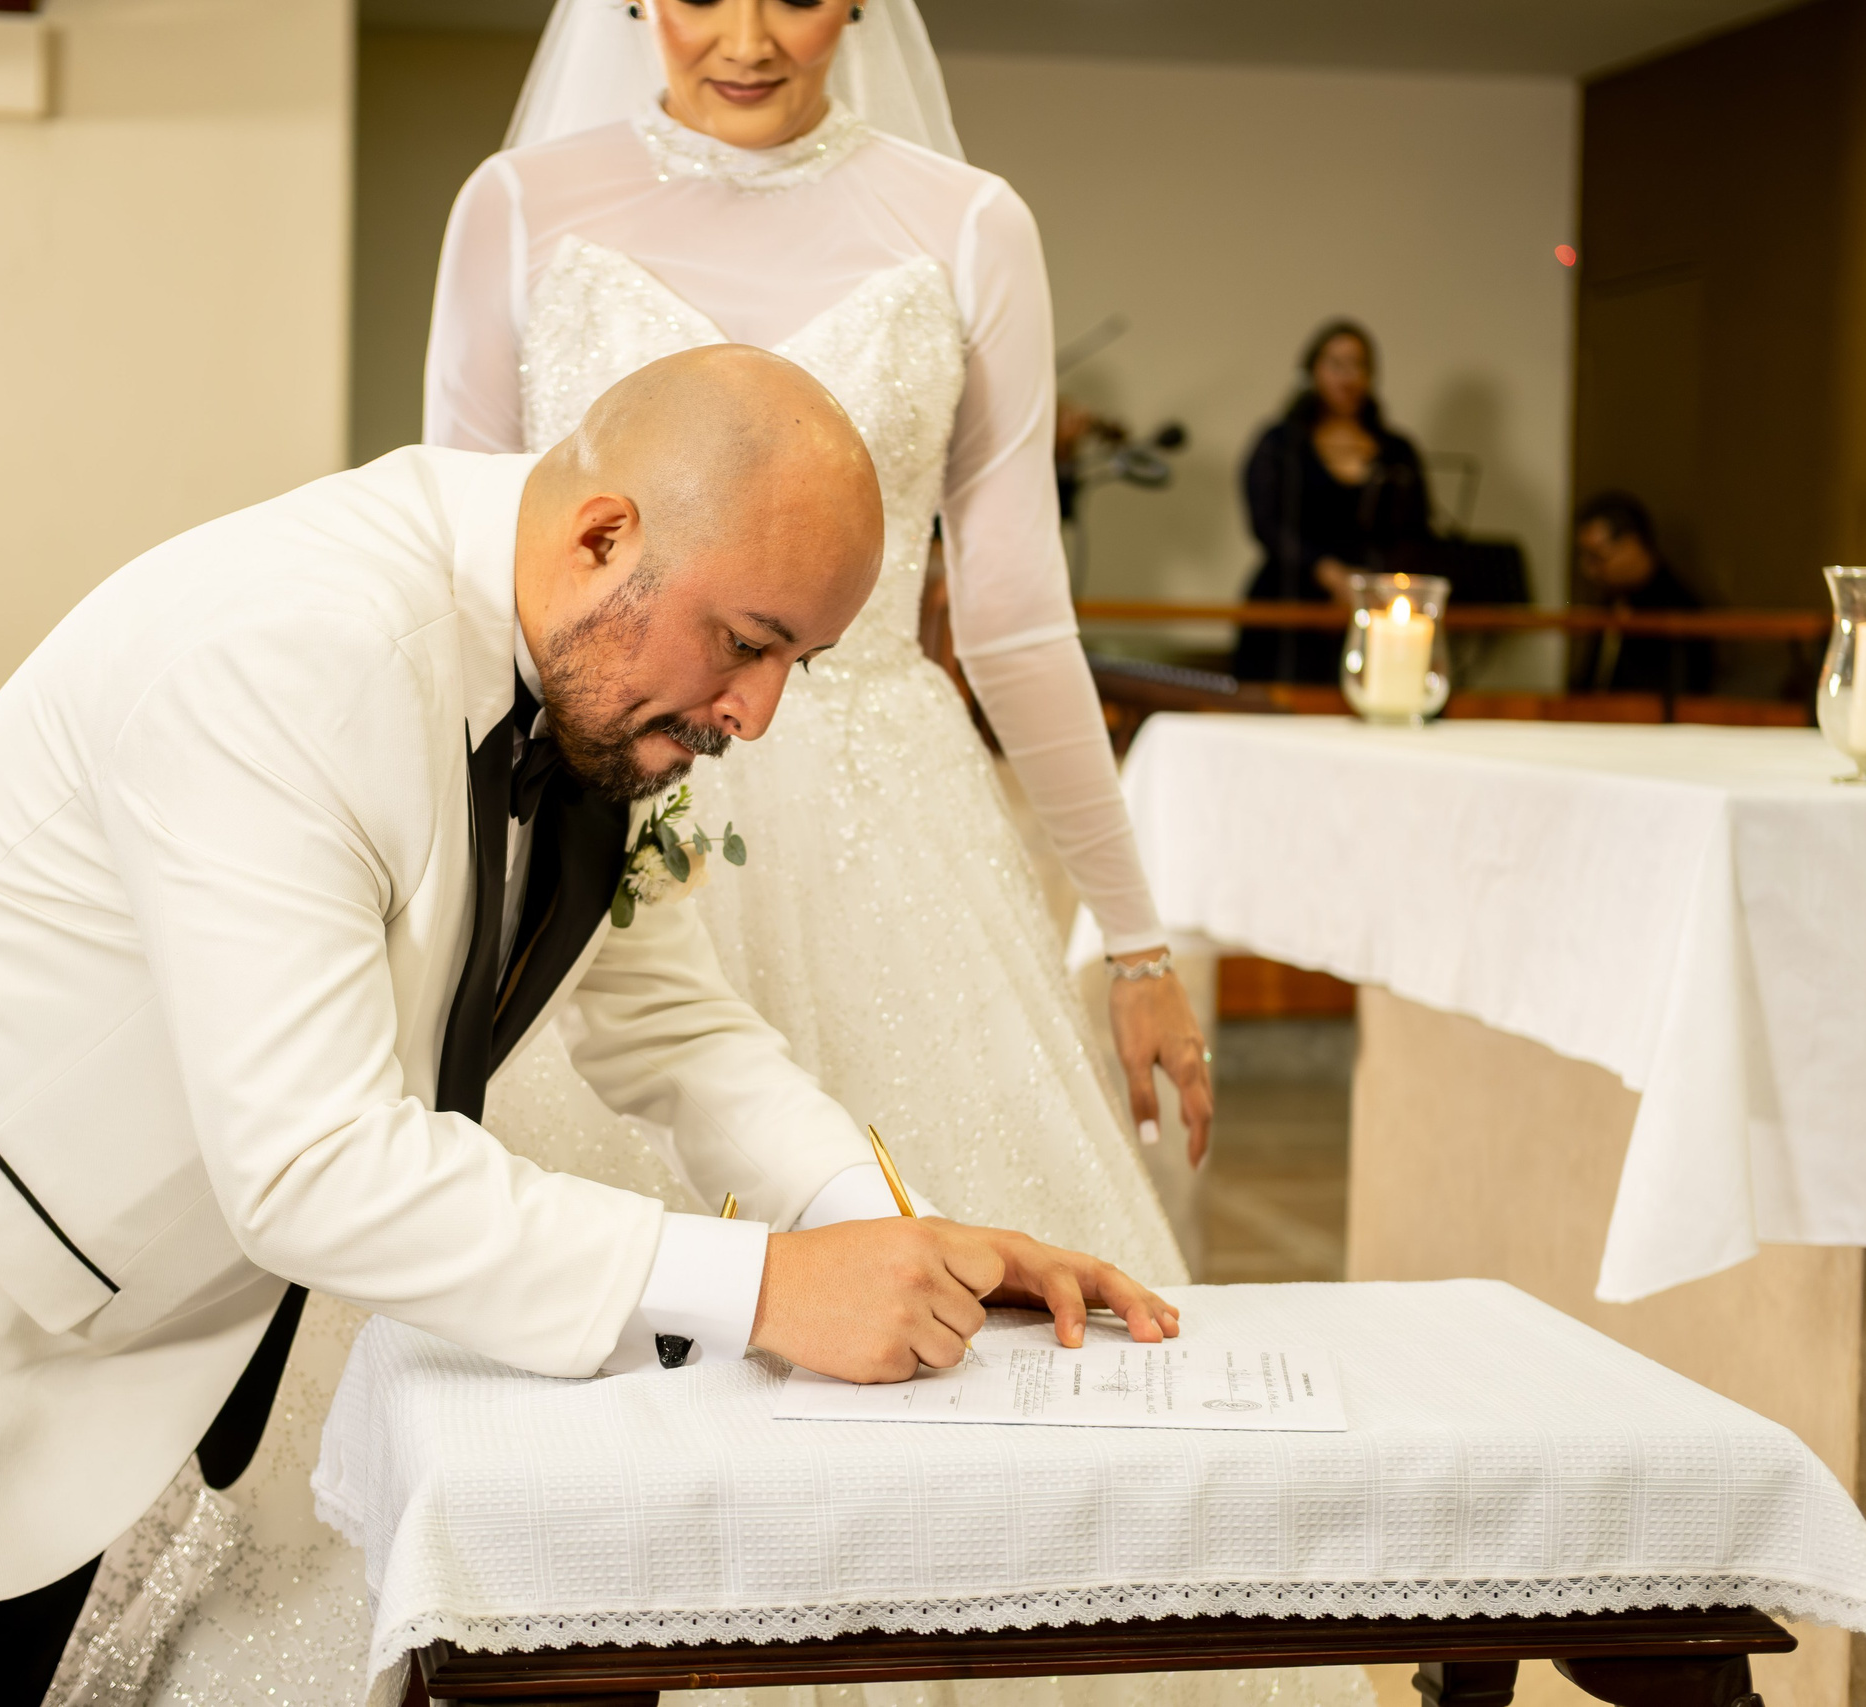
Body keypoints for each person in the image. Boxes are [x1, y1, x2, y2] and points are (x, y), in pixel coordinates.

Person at [80, 5, 1368, 1707]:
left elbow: (1015, 613)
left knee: (961, 1381)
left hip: (892, 813)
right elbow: (487, 561)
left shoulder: (966, 222)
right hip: (592, 743)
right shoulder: (520, 207)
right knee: (503, 1330)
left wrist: (1131, 939)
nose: (748, 31)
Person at [0, 346, 1177, 1701]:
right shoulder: (295, 649)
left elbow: (671, 1023)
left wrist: (879, 1233)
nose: (756, 712)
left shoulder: (590, 684)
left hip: (30, 1326)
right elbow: (314, 1162)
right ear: (606, 532)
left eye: (796, 664)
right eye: (748, 642)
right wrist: (766, 1287)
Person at [1230, 321, 1433, 684]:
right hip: (1290, 601)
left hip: (1374, 602)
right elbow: (1266, 523)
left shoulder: (1395, 452)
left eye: (1358, 365)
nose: (1348, 377)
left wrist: (1364, 585)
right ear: (1312, 372)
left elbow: (1415, 528)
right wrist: (1328, 572)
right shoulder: (1282, 445)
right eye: (1336, 365)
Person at [1571, 490, 1716, 696]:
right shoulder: (1613, 601)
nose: (1588, 570)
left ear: (1631, 545)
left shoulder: (1676, 608)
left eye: (1597, 557)